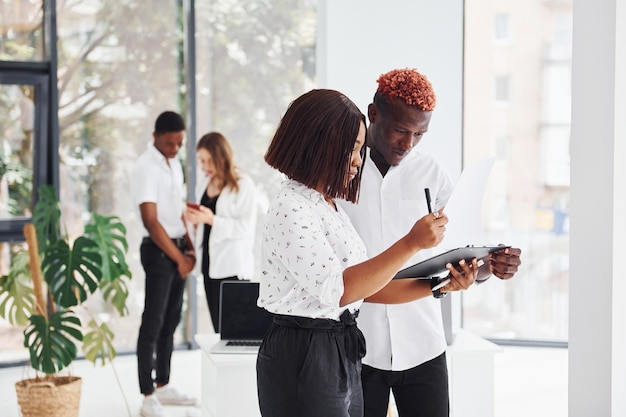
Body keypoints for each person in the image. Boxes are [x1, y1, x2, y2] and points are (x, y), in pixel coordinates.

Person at [256, 88, 480, 417]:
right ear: (319, 145)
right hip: (305, 351)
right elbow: (340, 289)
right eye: (352, 149)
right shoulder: (291, 207)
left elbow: (366, 286)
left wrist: (437, 286)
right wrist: (411, 242)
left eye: (360, 150)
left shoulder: (327, 205)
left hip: (338, 346)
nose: (357, 161)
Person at [337, 68, 523, 417]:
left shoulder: (433, 174)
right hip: (357, 347)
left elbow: (466, 253)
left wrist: (489, 267)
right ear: (373, 114)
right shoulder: (341, 174)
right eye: (400, 131)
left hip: (423, 344)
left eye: (420, 134)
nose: (408, 144)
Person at [130, 111, 198, 417]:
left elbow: (176, 210)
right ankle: (147, 394)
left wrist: (190, 249)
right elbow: (151, 221)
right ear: (156, 136)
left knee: (171, 321)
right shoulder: (146, 168)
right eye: (170, 143)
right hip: (160, 253)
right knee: (153, 323)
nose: (174, 149)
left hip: (178, 249)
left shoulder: (172, 164)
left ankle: (163, 384)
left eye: (179, 144)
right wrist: (178, 258)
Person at [185, 131, 257, 332]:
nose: (205, 167)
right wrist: (195, 219)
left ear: (222, 157)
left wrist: (211, 219)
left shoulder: (243, 184)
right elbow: (204, 224)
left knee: (236, 331)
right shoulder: (204, 183)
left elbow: (245, 227)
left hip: (233, 267)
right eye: (201, 160)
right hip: (210, 263)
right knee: (219, 329)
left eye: (209, 160)